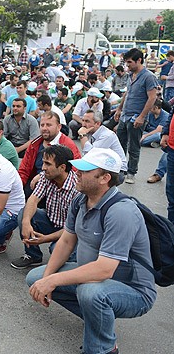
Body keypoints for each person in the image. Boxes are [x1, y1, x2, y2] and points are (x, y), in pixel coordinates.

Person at [26, 148, 156, 354]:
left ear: (105, 178)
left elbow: (104, 270)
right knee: (36, 277)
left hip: (133, 290)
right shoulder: (80, 200)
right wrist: (48, 278)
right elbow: (66, 242)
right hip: (95, 278)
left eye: (85, 170)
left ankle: (103, 348)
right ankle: (99, 320)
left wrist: (53, 281)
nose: (76, 172)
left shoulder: (121, 212)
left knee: (90, 292)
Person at [11, 145, 78, 269]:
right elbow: (33, 199)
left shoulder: (77, 189)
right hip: (52, 222)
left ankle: (71, 268)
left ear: (62, 167)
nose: (43, 168)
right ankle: (33, 256)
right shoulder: (47, 177)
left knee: (57, 251)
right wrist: (26, 223)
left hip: (70, 232)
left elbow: (74, 228)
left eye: (48, 164)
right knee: (24, 214)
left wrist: (45, 239)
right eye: (43, 163)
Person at [114, 48, 159, 184]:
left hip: (137, 117)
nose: (127, 65)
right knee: (119, 143)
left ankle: (131, 172)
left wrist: (141, 117)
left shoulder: (148, 76)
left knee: (134, 146)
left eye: (129, 62)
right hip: (125, 115)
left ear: (139, 60)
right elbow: (127, 93)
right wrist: (119, 109)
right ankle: (120, 169)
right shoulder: (130, 75)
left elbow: (152, 98)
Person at [18, 111, 81, 191]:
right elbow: (24, 170)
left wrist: (43, 176)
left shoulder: (67, 145)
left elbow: (74, 172)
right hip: (34, 184)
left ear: (59, 127)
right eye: (42, 125)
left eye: (49, 125)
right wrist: (17, 189)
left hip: (58, 187)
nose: (44, 128)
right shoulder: (34, 144)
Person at [78, 110, 128, 183]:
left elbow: (89, 155)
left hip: (116, 172)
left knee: (88, 182)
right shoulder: (91, 132)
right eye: (83, 120)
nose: (83, 124)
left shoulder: (107, 135)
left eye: (87, 121)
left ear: (97, 123)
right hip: (102, 166)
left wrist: (82, 135)